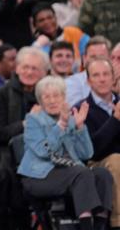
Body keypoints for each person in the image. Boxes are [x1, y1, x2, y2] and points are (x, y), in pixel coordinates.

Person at [18, 76, 113, 230]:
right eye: (46, 96)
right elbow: (44, 151)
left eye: (56, 95)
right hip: (39, 177)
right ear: (40, 101)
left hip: (71, 173)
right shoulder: (33, 120)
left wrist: (80, 127)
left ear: (64, 98)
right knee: (81, 173)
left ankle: (100, 226)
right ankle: (86, 226)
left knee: (102, 174)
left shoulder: (70, 119)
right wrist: (61, 125)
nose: (52, 100)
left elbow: (86, 154)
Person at [80, 58, 120, 228]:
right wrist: (115, 119)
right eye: (96, 75)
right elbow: (92, 150)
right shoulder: (83, 109)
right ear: (89, 81)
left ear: (113, 78)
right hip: (97, 162)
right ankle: (117, 222)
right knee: (116, 160)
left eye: (106, 74)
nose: (102, 79)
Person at [0, 46, 49, 148]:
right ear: (17, 69)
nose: (29, 72)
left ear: (44, 73)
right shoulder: (2, 93)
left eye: (34, 68)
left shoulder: (49, 93)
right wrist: (27, 123)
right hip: (8, 153)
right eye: (25, 67)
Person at [66, 36, 112, 107]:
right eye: (93, 57)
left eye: (102, 57)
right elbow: (76, 111)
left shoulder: (116, 79)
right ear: (84, 59)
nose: (97, 60)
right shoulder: (71, 82)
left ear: (110, 58)